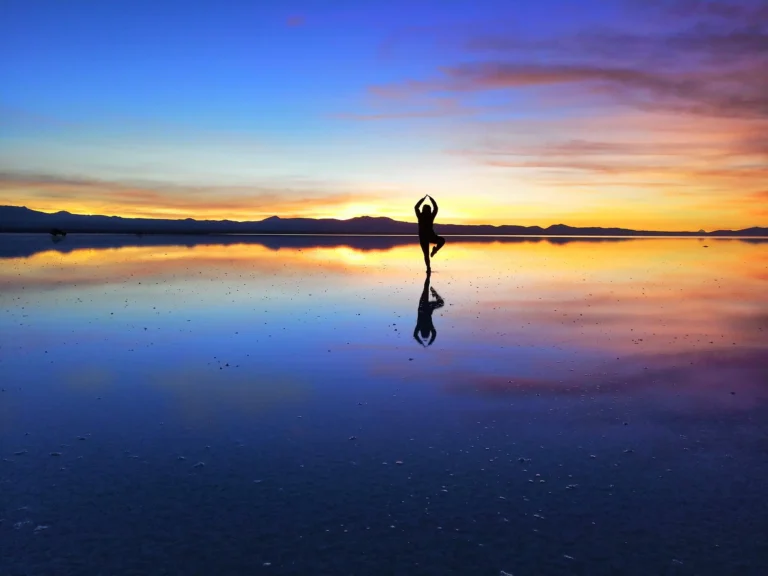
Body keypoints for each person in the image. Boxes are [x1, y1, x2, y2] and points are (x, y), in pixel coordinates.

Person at [414, 195, 445, 273]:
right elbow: (435, 208)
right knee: (426, 254)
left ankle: (435, 251)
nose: (427, 211)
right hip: (425, 238)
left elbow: (416, 207)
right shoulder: (423, 216)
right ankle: (428, 268)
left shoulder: (426, 216)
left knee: (442, 241)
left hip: (430, 236)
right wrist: (430, 199)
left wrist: (424, 199)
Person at [413, 272, 444, 347]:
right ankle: (429, 278)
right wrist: (422, 342)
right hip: (426, 307)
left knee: (426, 289)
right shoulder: (421, 326)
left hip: (424, 306)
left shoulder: (423, 325)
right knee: (426, 288)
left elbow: (434, 334)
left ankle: (428, 275)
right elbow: (415, 335)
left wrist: (429, 342)